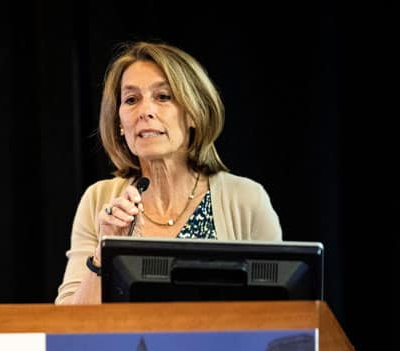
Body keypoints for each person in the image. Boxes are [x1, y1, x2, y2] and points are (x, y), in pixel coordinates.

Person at [55, 41, 282, 305]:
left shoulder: (246, 200)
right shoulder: (99, 200)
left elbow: (281, 317)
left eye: (163, 97)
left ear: (193, 114)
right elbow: (69, 324)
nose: (145, 111)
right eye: (131, 100)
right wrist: (104, 251)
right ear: (119, 124)